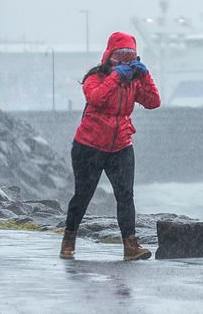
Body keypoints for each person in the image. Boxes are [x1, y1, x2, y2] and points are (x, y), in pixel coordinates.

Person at [60, 31, 160, 261]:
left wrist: (145, 76)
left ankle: (130, 245)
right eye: (120, 55)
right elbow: (95, 98)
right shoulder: (95, 77)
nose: (125, 60)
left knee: (125, 195)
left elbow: (154, 102)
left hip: (121, 146)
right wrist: (116, 77)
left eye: (130, 56)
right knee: (83, 195)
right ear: (109, 56)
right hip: (89, 145)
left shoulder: (134, 81)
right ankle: (69, 238)